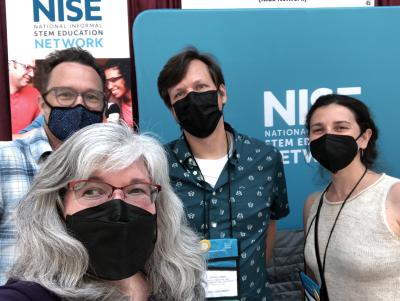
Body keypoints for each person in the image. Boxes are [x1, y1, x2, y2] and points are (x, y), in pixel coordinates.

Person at [0, 123, 205, 300]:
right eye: (93, 190)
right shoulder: (33, 293)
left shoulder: (179, 288)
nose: (118, 208)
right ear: (58, 205)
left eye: (136, 190)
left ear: (159, 205)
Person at [157, 47, 289, 301]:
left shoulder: (265, 159)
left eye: (201, 87)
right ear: (174, 111)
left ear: (222, 93)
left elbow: (269, 228)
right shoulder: (157, 165)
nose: (192, 98)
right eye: (180, 94)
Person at [0, 47, 107, 284]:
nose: (80, 106)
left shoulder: (114, 170)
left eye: (91, 97)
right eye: (65, 95)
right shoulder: (5, 161)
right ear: (43, 103)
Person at [303, 94, 400, 300]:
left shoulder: (394, 195)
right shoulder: (313, 204)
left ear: (364, 138)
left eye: (341, 128)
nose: (328, 136)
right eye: (318, 129)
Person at [8, 57, 41, 134]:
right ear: (9, 64)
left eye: (33, 69)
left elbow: (40, 131)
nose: (32, 74)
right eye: (27, 67)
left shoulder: (35, 94)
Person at [104, 58, 135, 127]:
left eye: (113, 80)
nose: (109, 86)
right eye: (107, 81)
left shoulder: (144, 99)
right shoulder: (111, 103)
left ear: (126, 76)